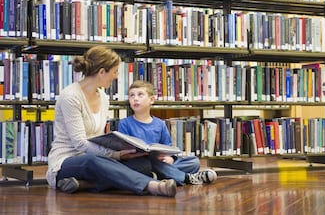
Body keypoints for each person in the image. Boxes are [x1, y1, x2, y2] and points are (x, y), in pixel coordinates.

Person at [46, 46, 176, 197]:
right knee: (92, 161)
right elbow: (80, 144)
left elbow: (98, 137)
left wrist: (121, 149)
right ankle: (152, 186)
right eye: (114, 72)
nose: (116, 76)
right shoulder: (71, 97)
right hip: (67, 160)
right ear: (102, 72)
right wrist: (116, 155)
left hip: (98, 157)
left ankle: (85, 184)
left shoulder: (103, 97)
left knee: (141, 164)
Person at [118, 80, 217, 186]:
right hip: (139, 163)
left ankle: (155, 177)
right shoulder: (125, 123)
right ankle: (186, 178)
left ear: (151, 100)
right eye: (132, 96)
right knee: (146, 163)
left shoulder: (160, 124)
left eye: (140, 95)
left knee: (193, 162)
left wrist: (170, 158)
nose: (135, 99)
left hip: (159, 163)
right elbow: (123, 150)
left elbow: (168, 148)